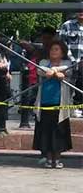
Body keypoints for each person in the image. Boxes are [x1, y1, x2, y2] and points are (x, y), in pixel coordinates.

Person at [33, 39, 73, 169]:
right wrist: (54, 72)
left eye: (56, 49)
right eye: (51, 50)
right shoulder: (44, 63)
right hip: (44, 102)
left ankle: (57, 159)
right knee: (46, 131)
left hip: (60, 104)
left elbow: (68, 70)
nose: (53, 52)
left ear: (62, 52)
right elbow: (41, 70)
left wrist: (54, 70)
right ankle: (48, 158)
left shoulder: (67, 63)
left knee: (59, 132)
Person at [59, 12, 83, 117]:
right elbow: (62, 45)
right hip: (70, 63)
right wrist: (73, 60)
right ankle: (67, 110)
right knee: (68, 87)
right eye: (79, 10)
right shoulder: (67, 25)